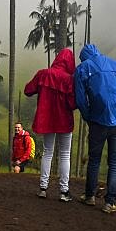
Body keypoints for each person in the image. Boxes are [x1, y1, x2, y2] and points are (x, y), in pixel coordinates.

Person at [74, 44, 116, 214]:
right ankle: (110, 202)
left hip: (97, 121)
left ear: (84, 57)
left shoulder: (82, 69)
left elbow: (80, 99)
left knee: (94, 160)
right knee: (114, 163)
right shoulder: (115, 64)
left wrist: (88, 117)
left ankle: (90, 196)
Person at [24, 47, 77, 201]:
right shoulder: (69, 80)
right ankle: (64, 191)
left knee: (48, 152)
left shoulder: (43, 74)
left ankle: (43, 187)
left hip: (47, 120)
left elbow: (28, 90)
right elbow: (73, 103)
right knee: (65, 154)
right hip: (64, 121)